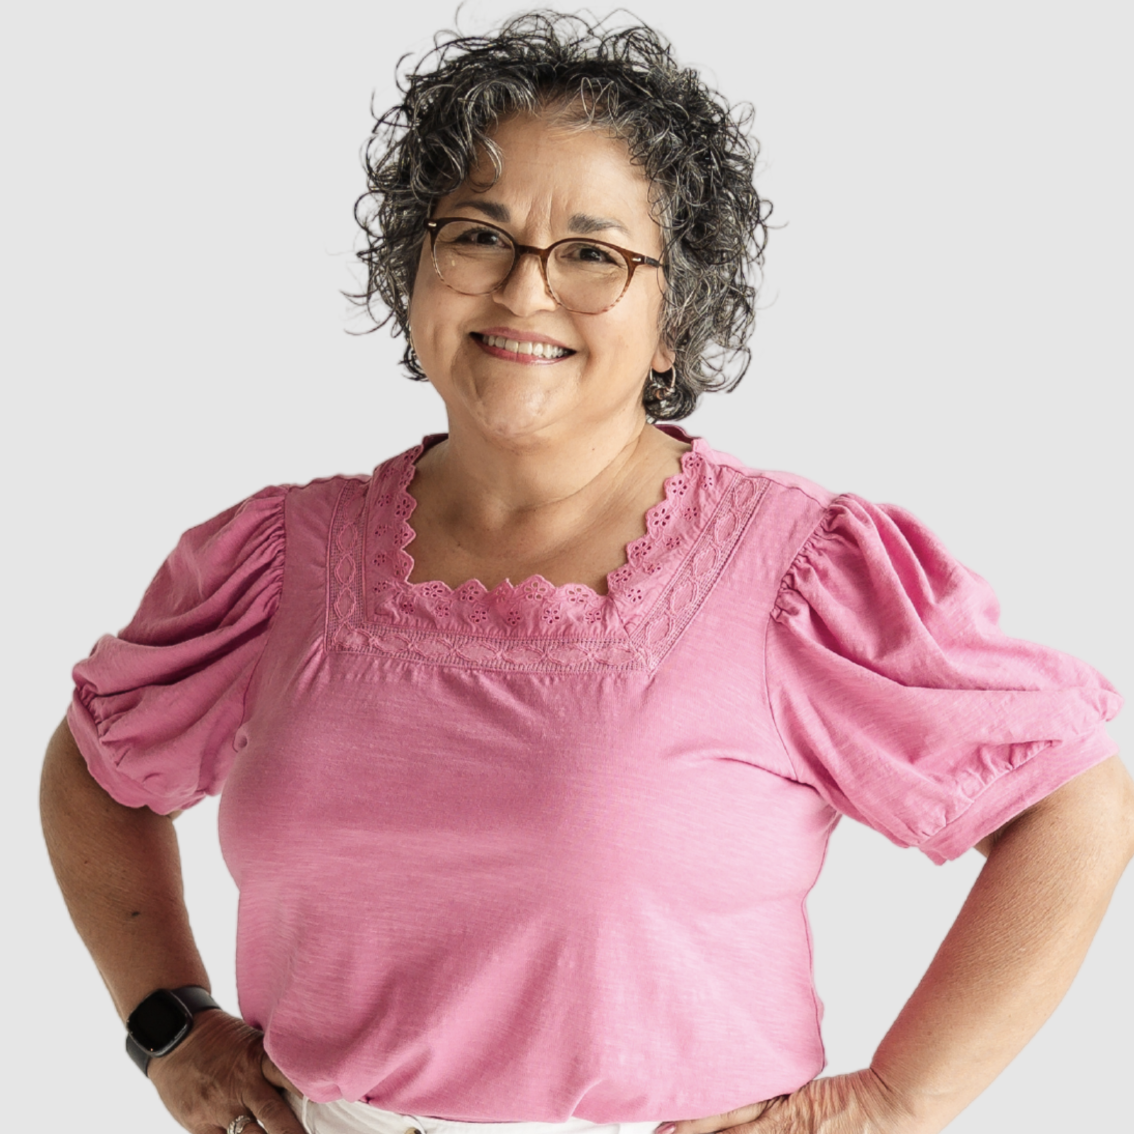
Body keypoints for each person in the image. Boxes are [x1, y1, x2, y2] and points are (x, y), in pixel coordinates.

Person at [40, 11, 1132, 1134]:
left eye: (594, 254)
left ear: (675, 319)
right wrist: (170, 1026)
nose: (525, 293)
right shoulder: (275, 566)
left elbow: (1070, 803)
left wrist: (891, 1105)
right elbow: (95, 770)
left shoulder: (796, 573)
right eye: (480, 236)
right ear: (414, 271)